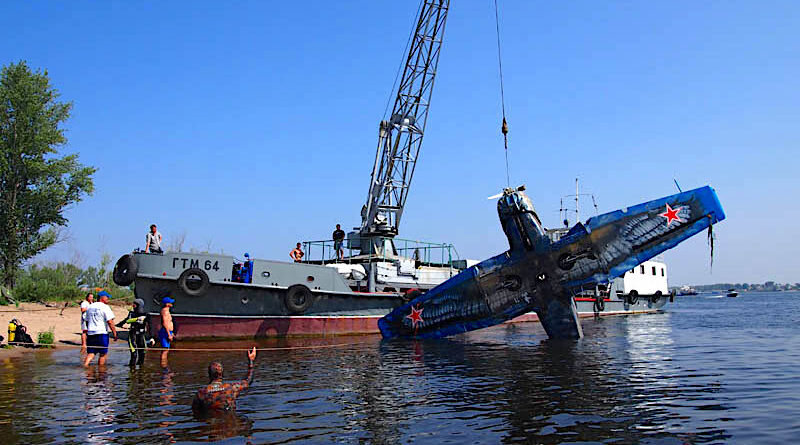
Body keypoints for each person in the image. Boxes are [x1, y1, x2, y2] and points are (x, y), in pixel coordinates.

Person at [192, 347, 257, 417]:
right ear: (222, 374)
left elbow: (195, 412)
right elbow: (248, 381)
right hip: (231, 424)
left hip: (211, 424)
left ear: (209, 374)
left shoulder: (201, 393)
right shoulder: (232, 388)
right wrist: (251, 361)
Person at [82, 291, 117, 366]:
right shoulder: (105, 307)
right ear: (102, 298)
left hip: (91, 333)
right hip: (102, 333)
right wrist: (114, 333)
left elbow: (87, 321)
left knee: (91, 353)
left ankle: (84, 367)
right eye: (107, 297)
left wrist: (89, 331)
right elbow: (110, 321)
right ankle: (101, 372)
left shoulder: (90, 306)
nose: (108, 299)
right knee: (103, 354)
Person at [116, 298, 153, 367]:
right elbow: (126, 320)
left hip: (141, 335)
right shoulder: (131, 313)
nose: (133, 305)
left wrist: (151, 337)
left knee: (142, 353)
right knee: (134, 353)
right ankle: (132, 369)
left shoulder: (146, 314)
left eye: (134, 304)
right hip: (132, 335)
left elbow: (150, 326)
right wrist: (118, 325)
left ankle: (140, 372)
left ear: (139, 305)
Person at [159, 296, 175, 367]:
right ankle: (164, 366)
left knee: (167, 350)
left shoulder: (167, 311)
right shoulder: (165, 311)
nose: (172, 303)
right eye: (170, 302)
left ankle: (165, 364)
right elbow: (165, 323)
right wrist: (169, 334)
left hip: (168, 332)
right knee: (165, 350)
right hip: (165, 332)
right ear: (167, 304)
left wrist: (172, 333)